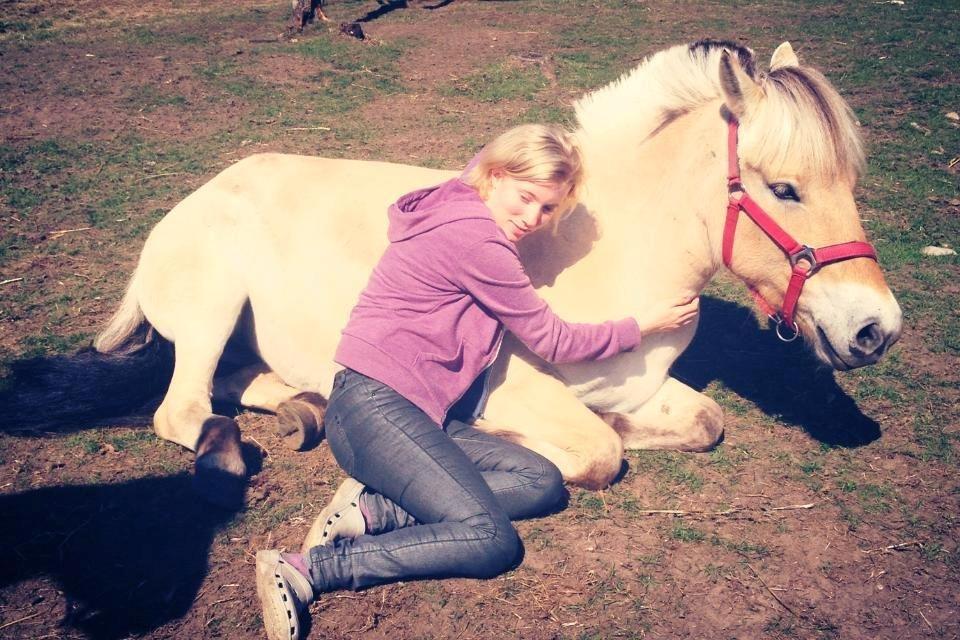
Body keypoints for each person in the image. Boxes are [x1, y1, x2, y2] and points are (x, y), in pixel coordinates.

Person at [254, 124, 699, 640]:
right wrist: (643, 326)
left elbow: (477, 165)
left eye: (548, 209)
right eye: (526, 197)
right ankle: (306, 569)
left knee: (542, 481)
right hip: (375, 407)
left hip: (413, 414)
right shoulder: (477, 240)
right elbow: (553, 341)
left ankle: (371, 510)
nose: (532, 219)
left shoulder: (455, 199)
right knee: (490, 539)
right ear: (496, 176)